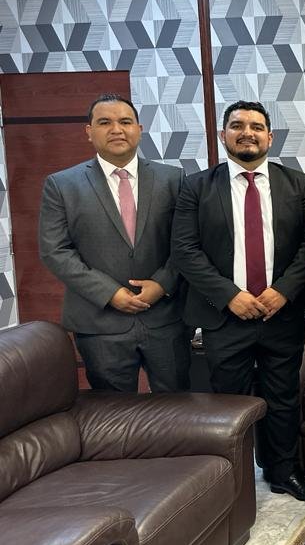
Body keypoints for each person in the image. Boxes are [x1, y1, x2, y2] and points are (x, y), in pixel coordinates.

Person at [171, 100, 305, 502]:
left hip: (281, 313)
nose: (247, 133)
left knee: (283, 397)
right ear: (224, 135)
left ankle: (283, 472)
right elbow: (185, 249)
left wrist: (284, 290)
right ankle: (235, 483)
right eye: (237, 126)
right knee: (230, 403)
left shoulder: (296, 183)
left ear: (269, 137)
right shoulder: (197, 187)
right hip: (225, 316)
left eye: (256, 127)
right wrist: (229, 296)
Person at [38, 93, 191, 392]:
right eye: (105, 122)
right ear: (89, 131)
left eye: (125, 122)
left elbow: (187, 242)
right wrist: (109, 293)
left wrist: (162, 284)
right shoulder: (62, 184)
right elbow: (55, 250)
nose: (116, 130)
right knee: (114, 414)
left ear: (139, 129)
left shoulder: (173, 178)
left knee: (178, 407)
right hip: (99, 322)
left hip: (166, 317)